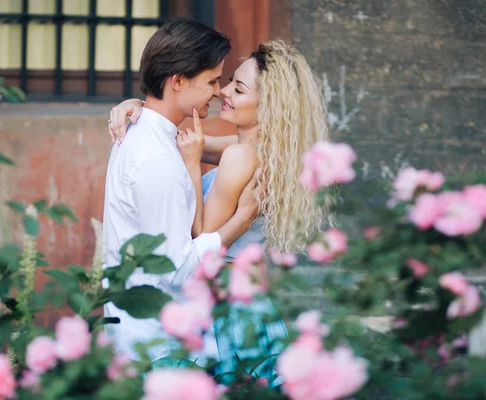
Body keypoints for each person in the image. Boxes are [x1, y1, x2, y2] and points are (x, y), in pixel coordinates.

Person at [109, 40, 331, 379]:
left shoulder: (240, 157)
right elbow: (173, 134)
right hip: (250, 298)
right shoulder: (268, 150)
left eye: (237, 89)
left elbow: (202, 235)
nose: (222, 91)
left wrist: (193, 165)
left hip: (230, 308)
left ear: (267, 106)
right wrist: (140, 105)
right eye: (224, 82)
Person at [103, 19, 260, 363]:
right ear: (178, 81)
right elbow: (175, 270)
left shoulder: (150, 134)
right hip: (157, 341)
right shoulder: (158, 157)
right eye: (212, 81)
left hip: (152, 332)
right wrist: (239, 223)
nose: (219, 92)